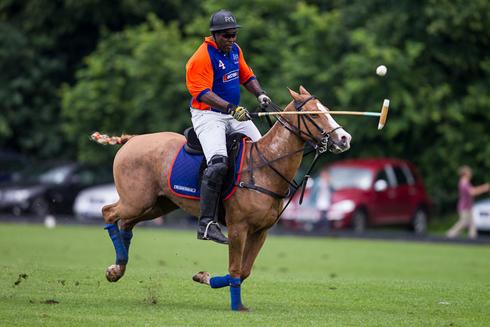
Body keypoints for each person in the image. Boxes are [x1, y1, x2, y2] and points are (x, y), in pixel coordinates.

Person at [185, 9, 272, 244]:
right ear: (214, 35)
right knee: (218, 164)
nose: (231, 39)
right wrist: (231, 109)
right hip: (208, 116)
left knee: (263, 150)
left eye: (234, 35)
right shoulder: (201, 58)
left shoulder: (235, 51)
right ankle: (206, 224)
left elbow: (246, 76)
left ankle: (254, 206)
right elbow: (203, 94)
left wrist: (260, 94)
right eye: (226, 36)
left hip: (232, 112)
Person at [446, 165, 490, 239]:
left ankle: (472, 238)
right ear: (465, 173)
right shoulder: (464, 183)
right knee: (464, 222)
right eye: (469, 172)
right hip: (464, 206)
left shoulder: (466, 182)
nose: (470, 173)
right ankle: (450, 234)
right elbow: (472, 192)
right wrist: (484, 188)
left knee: (472, 224)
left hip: (468, 206)